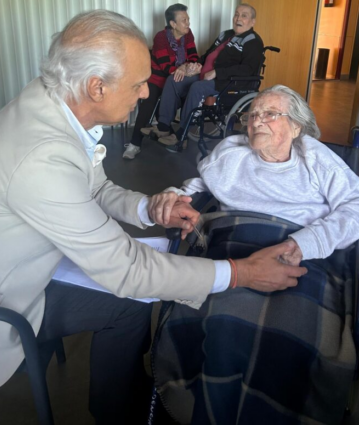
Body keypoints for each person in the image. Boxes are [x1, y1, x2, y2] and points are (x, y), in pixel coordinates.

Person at [0, 10, 306, 424]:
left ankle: (119, 400)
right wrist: (240, 273)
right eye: (138, 84)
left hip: (35, 256)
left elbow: (95, 187)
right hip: (11, 295)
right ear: (97, 87)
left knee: (136, 303)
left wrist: (149, 206)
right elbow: (125, 269)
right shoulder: (41, 156)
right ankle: (119, 414)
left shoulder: (55, 98)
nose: (146, 94)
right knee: (131, 300)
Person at [152, 85, 359, 424]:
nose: (257, 121)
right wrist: (173, 196)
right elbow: (195, 189)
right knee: (222, 321)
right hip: (236, 239)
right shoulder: (230, 152)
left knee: (294, 336)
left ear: (296, 127)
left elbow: (355, 204)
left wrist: (306, 243)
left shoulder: (316, 157)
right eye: (252, 115)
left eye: (270, 114)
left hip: (301, 249)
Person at [142, 3, 263, 153]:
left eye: (244, 16)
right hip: (204, 75)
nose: (238, 18)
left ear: (252, 21)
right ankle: (163, 127)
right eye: (236, 14)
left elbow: (248, 69)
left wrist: (217, 72)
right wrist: (195, 66)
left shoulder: (253, 41)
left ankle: (181, 136)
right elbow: (207, 55)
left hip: (225, 83)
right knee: (174, 80)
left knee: (197, 88)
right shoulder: (225, 35)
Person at [122, 3, 200, 160]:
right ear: (173, 24)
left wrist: (188, 67)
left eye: (188, 19)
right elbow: (165, 66)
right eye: (184, 20)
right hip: (158, 79)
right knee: (149, 104)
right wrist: (182, 69)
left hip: (177, 79)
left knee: (191, 94)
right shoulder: (161, 38)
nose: (188, 23)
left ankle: (177, 137)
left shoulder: (188, 34)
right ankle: (134, 144)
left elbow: (193, 56)